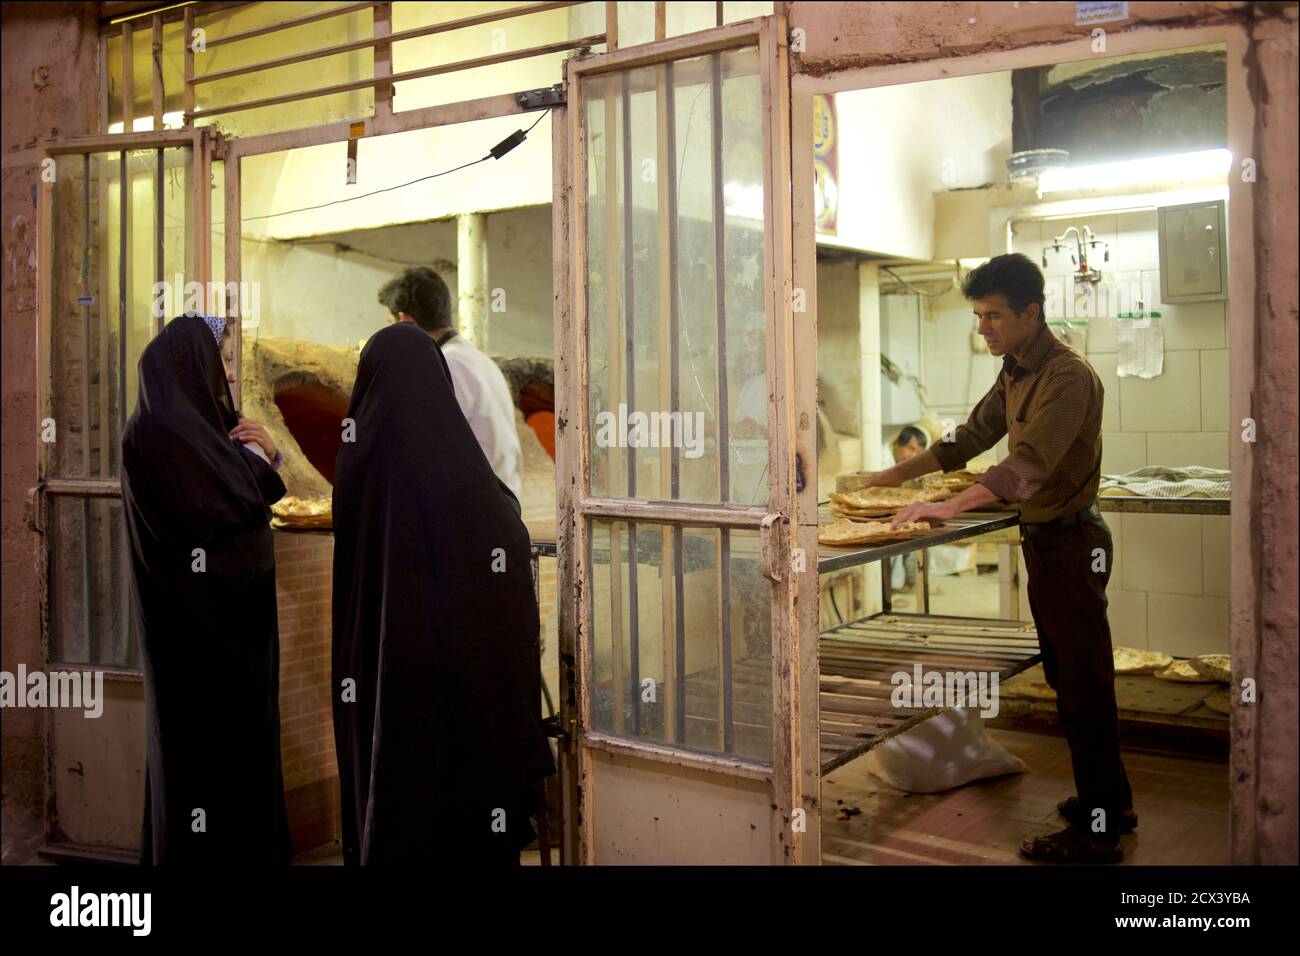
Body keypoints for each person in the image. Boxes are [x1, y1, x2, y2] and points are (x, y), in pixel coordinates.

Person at [873, 253, 1132, 864]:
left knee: (1084, 689)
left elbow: (1028, 463)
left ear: (1030, 313)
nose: (983, 328)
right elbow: (969, 437)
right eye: (978, 316)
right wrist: (889, 476)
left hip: (1073, 545)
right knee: (1071, 679)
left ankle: (1099, 834)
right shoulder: (1015, 368)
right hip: (1047, 545)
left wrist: (951, 507)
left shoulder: (1068, 376)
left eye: (993, 316)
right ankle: (1110, 801)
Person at [331, 322, 555, 865]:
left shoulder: (355, 464)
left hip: (384, 676)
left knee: (395, 801)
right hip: (455, 689)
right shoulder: (461, 473)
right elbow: (505, 551)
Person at [120, 312, 291, 865]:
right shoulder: (164, 430)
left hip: (229, 636)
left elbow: (246, 491)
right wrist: (264, 461)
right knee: (205, 766)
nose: (232, 375)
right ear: (193, 361)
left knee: (233, 764)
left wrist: (267, 455)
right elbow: (229, 504)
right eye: (224, 360)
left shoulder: (196, 427)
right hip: (199, 639)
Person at [378, 266, 524, 503]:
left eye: (389, 323)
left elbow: (426, 451)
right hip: (502, 505)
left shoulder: (446, 364)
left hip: (476, 512)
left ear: (405, 321)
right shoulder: (479, 360)